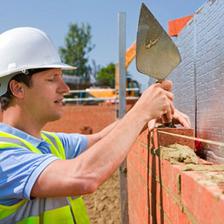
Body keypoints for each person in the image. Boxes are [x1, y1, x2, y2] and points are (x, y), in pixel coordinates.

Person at [0, 27, 190, 224]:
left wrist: (146, 118)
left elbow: (101, 139)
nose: (65, 88)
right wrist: (141, 111)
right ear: (18, 88)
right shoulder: (5, 155)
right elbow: (83, 177)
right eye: (52, 78)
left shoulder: (48, 142)